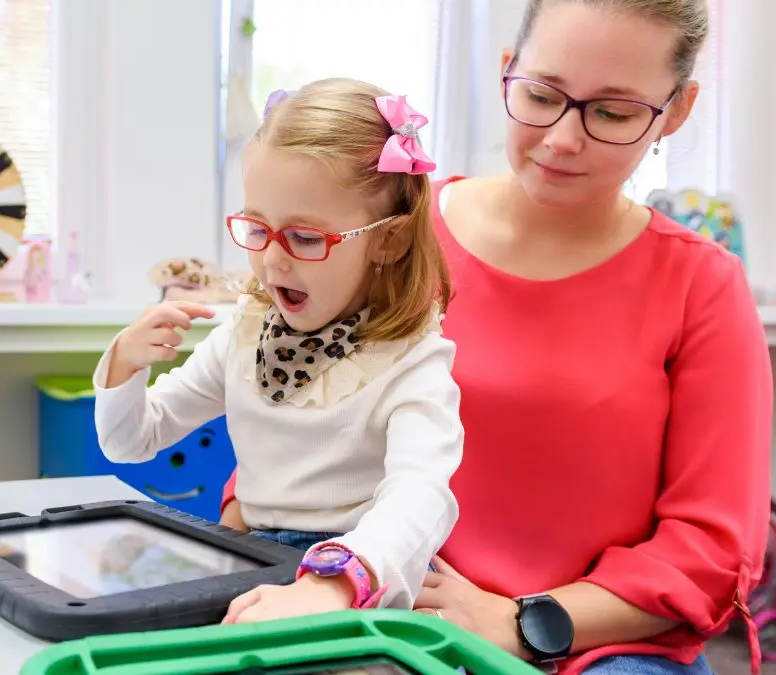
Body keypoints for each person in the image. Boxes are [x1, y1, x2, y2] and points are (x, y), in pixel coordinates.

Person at [220, 0, 774, 673]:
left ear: (676, 112)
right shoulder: (398, 241)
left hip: (592, 642)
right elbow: (295, 404)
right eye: (542, 95)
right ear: (508, 72)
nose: (564, 138)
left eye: (613, 112)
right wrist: (249, 531)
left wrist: (521, 619)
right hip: (374, 599)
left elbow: (711, 547)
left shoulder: (701, 285)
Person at [92, 77, 462, 623]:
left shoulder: (412, 362)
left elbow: (420, 499)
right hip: (254, 560)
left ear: (390, 239)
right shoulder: (245, 335)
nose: (272, 261)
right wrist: (125, 363)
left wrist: (336, 582)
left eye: (306, 239)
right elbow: (132, 441)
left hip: (365, 575)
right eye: (256, 228)